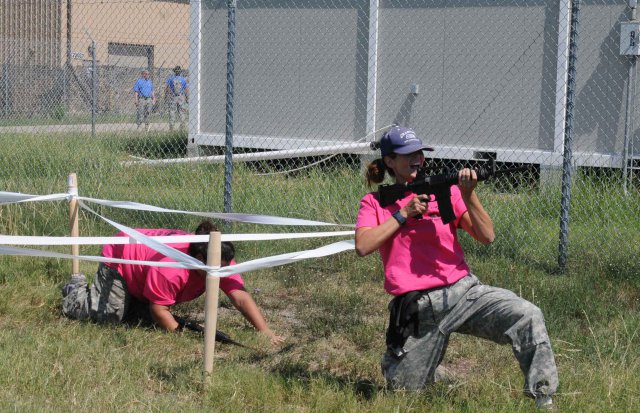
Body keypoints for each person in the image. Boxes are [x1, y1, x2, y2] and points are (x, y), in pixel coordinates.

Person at [355, 127, 558, 409]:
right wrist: (404, 214)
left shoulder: (447, 192)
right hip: (419, 308)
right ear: (389, 161)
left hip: (463, 293)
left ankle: (544, 398)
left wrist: (468, 194)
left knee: (527, 315)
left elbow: (487, 237)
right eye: (407, 155)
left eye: (419, 153)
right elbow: (363, 246)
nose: (417, 159)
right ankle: (428, 370)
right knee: (404, 393)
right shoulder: (376, 202)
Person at [61, 220, 284, 346]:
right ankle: (75, 291)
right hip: (120, 258)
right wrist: (180, 337)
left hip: (145, 272)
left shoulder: (218, 255)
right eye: (220, 267)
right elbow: (159, 309)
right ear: (198, 259)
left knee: (137, 315)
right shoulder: (171, 270)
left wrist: (265, 331)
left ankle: (131, 302)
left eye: (227, 265)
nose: (224, 271)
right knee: (109, 319)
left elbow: (240, 297)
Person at [165, 65, 189, 131]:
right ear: (180, 72)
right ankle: (182, 126)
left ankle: (171, 127)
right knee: (182, 112)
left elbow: (167, 88)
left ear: (174, 72)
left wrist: (166, 96)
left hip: (173, 97)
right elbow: (186, 89)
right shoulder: (183, 79)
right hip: (181, 97)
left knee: (172, 112)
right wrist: (187, 98)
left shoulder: (171, 79)